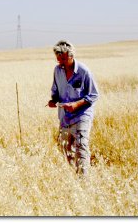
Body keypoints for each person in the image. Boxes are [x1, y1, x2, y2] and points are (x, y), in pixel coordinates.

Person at [47, 40, 99, 175]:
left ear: (71, 56)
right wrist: (53, 101)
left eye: (63, 58)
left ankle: (84, 182)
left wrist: (76, 104)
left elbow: (94, 95)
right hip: (64, 117)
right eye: (58, 59)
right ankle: (72, 182)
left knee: (81, 148)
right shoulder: (57, 71)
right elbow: (56, 92)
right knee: (65, 150)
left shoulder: (83, 71)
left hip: (82, 116)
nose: (60, 62)